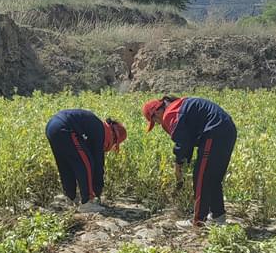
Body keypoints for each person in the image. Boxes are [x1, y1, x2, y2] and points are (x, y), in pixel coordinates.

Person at [143, 96, 237, 227]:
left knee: (200, 178)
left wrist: (178, 164)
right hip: (226, 130)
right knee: (212, 177)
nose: (159, 124)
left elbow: (183, 142)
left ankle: (198, 221)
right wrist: (184, 161)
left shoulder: (170, 113)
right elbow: (188, 139)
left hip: (214, 132)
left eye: (156, 121)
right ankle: (218, 217)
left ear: (157, 112)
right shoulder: (178, 106)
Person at [45, 109, 127, 213]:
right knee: (85, 164)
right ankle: (87, 202)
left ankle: (70, 197)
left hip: (51, 127)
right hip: (65, 128)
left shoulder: (96, 126)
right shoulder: (101, 132)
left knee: (65, 165)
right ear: (114, 135)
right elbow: (98, 165)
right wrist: (97, 192)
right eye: (115, 143)